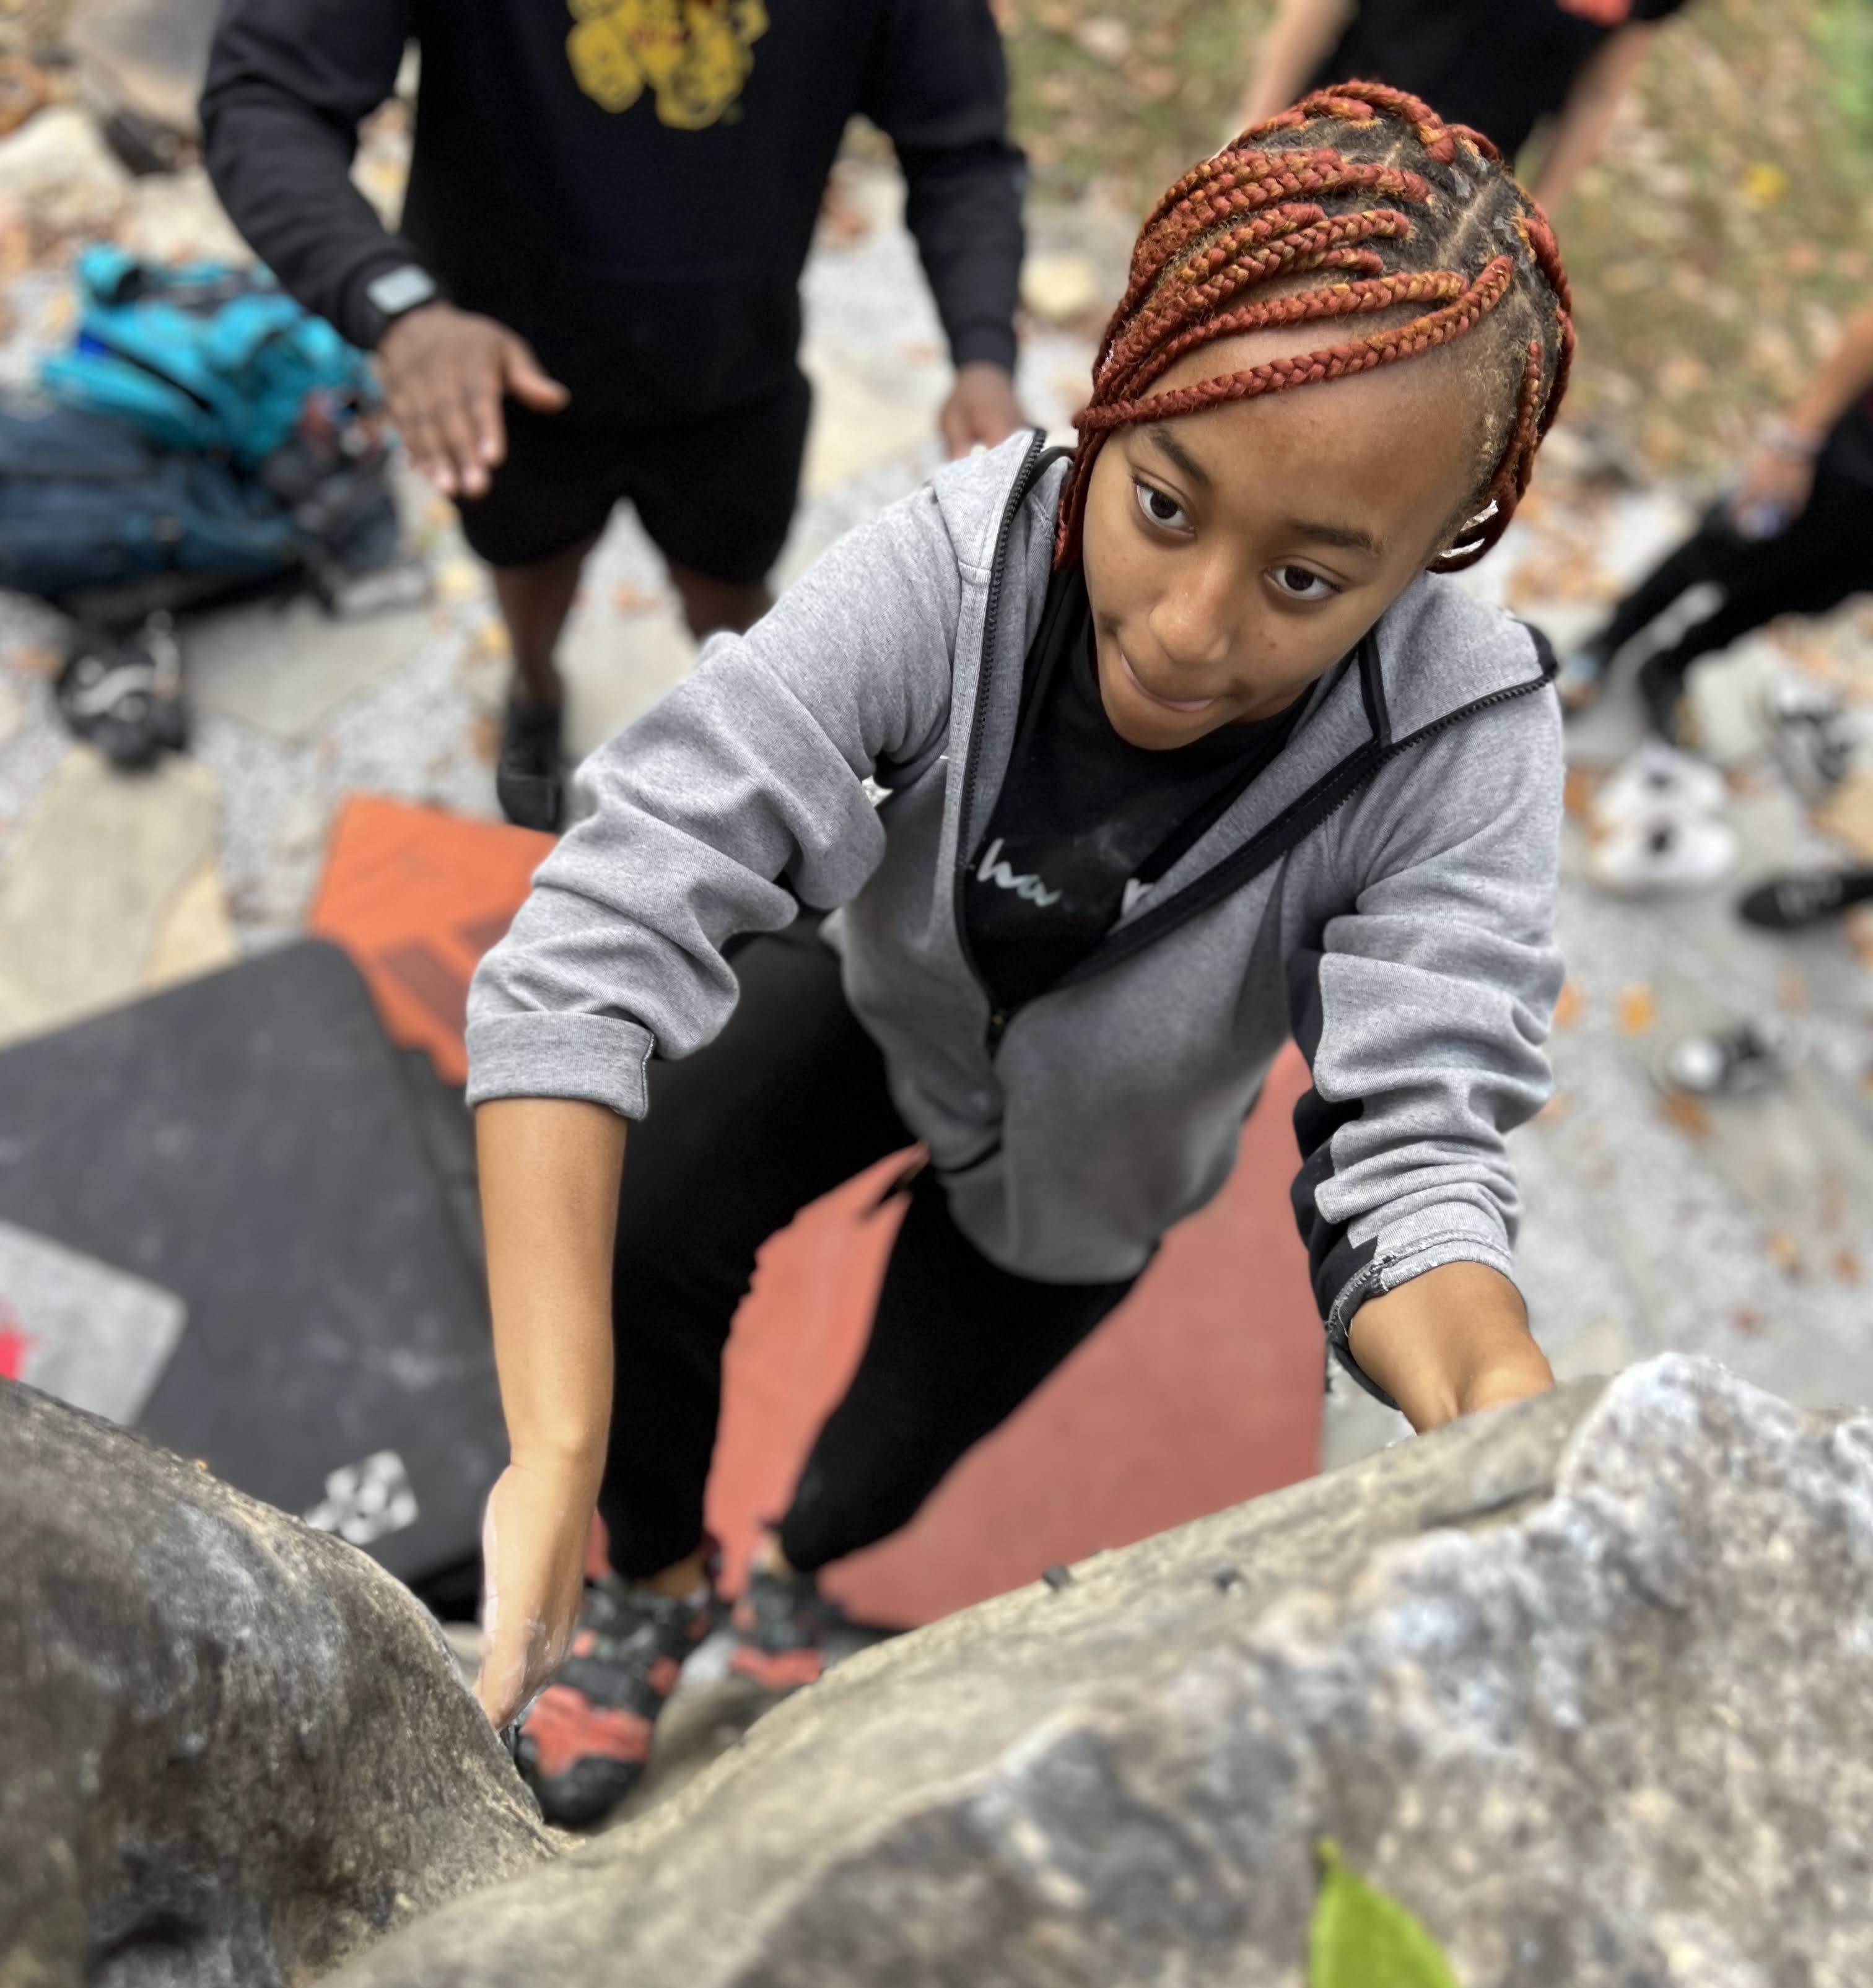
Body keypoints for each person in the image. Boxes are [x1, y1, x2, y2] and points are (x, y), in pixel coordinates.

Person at [465, 82, 1574, 1826]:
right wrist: (560, 1450)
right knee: (659, 1209)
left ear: (1437, 556)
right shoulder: (956, 563)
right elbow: (598, 926)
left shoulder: (1458, 737)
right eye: (1163, 502)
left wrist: (1512, 1425)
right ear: (1114, 390)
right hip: (889, 984)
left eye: (1308, 583)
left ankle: (791, 1583)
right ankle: (657, 1588)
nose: (1191, 627)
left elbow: (1418, 1152)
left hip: (1099, 1172)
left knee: (896, 1450)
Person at [200, 0, 1029, 833]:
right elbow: (265, 95)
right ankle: (534, 689)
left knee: (733, 587)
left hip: (733, 366)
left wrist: (983, 352)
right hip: (501, 367)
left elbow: (961, 150)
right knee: (526, 561)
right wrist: (399, 306)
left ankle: (757, 736)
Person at [1559, 305, 1873, 751]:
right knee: (1722, 547)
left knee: (1792, 593)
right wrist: (1795, 441)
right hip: (1851, 461)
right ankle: (1610, 639)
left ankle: (1672, 665)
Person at [1235, 0, 1690, 208]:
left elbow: (1600, 91)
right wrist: (1252, 129)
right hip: (1322, 140)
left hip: (1458, 200)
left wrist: (1539, 220)